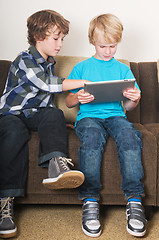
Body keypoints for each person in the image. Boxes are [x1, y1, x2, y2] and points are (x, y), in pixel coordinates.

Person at [0, 9, 90, 239]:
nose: (60, 44)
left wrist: (56, 126)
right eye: (56, 38)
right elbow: (47, 84)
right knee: (13, 134)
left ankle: (57, 165)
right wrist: (83, 83)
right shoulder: (25, 59)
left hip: (35, 114)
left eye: (62, 38)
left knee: (55, 115)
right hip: (12, 114)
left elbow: (46, 102)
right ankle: (5, 204)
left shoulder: (50, 61)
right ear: (39, 36)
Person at [65, 13, 147, 238]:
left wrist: (134, 98)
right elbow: (69, 102)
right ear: (92, 41)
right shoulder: (81, 68)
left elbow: (128, 108)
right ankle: (90, 200)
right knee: (91, 137)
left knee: (130, 136)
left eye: (113, 46)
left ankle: (134, 200)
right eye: (103, 46)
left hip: (116, 117)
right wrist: (79, 97)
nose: (108, 51)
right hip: (88, 119)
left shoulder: (122, 69)